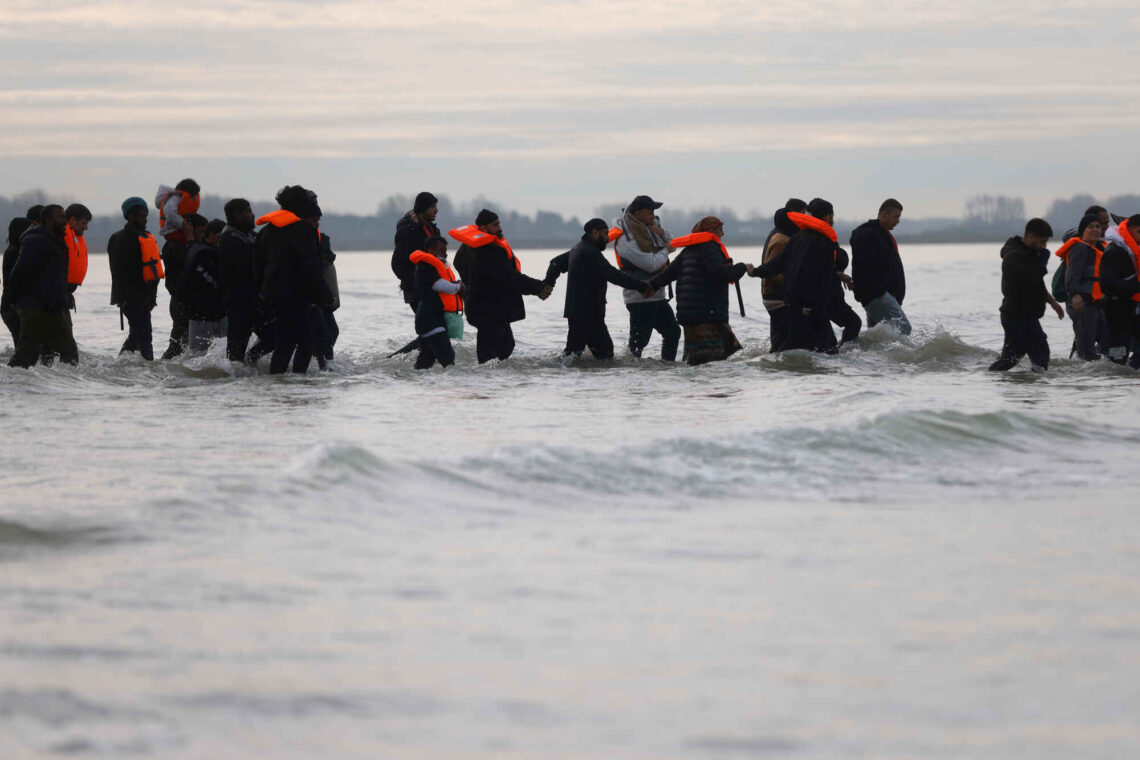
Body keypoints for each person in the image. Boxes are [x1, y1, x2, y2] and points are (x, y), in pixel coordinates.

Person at [451, 209, 552, 363]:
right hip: (488, 309)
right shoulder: (489, 250)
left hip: (481, 306)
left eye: (499, 224)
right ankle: (486, 376)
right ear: (483, 228)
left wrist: (471, 282)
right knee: (490, 353)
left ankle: (492, 376)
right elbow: (510, 277)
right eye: (495, 225)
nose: (499, 228)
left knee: (506, 345)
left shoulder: (467, 246)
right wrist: (538, 288)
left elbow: (457, 263)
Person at [544, 218, 652, 360]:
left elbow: (555, 263)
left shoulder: (578, 249)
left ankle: (561, 370)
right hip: (588, 314)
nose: (607, 239)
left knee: (577, 353)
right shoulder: (590, 253)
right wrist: (642, 287)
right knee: (601, 354)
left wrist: (548, 284)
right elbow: (613, 275)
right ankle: (558, 370)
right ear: (594, 233)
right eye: (605, 234)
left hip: (580, 313)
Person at [647, 216, 748, 366]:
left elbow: (668, 273)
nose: (723, 234)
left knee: (697, 360)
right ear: (710, 230)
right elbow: (719, 272)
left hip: (690, 315)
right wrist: (742, 267)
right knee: (712, 361)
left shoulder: (688, 250)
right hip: (706, 314)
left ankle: (686, 380)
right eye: (720, 230)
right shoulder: (709, 247)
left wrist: (650, 287)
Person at [255, 185, 333, 374]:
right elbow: (311, 268)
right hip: (296, 298)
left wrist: (263, 294)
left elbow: (257, 267)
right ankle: (288, 381)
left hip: (274, 296)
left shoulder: (266, 231)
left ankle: (290, 382)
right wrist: (325, 297)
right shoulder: (303, 231)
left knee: (301, 340)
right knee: (291, 344)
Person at [6, 205, 79, 368]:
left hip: (54, 307)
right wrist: (15, 301)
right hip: (34, 307)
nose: (65, 221)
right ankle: (10, 380)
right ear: (47, 219)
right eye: (60, 217)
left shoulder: (58, 241)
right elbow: (19, 272)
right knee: (27, 354)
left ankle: (68, 382)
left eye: (65, 217)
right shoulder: (35, 240)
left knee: (69, 352)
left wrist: (63, 298)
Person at [611, 195, 681, 361]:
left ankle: (667, 367)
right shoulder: (626, 239)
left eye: (653, 211)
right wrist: (665, 250)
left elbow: (673, 242)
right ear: (638, 213)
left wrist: (661, 232)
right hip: (640, 298)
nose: (653, 215)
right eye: (649, 211)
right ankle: (631, 370)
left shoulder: (648, 229)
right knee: (639, 343)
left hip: (657, 296)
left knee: (673, 332)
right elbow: (650, 265)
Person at [988, 218, 1064, 371]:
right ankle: (1038, 384)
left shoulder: (1028, 254)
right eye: (1042, 241)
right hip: (1018, 314)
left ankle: (992, 378)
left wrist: (1053, 303)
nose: (1044, 246)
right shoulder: (1015, 257)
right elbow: (1030, 281)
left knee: (1010, 358)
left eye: (1046, 242)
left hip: (1017, 314)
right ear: (1030, 237)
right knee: (1041, 352)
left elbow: (1037, 285)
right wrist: (1041, 265)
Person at [781, 199, 843, 352]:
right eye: (832, 216)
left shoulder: (798, 237)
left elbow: (779, 262)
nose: (833, 220)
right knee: (829, 348)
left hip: (794, 303)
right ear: (827, 217)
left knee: (796, 347)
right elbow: (810, 274)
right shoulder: (821, 240)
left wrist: (755, 271)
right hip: (811, 307)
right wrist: (808, 305)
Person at [107, 197, 164, 360]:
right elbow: (118, 272)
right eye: (141, 216)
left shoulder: (146, 237)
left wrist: (151, 298)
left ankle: (118, 365)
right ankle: (150, 367)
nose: (144, 219)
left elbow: (152, 272)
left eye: (145, 216)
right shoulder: (119, 238)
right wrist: (124, 299)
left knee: (136, 338)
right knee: (145, 337)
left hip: (146, 298)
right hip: (131, 299)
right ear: (130, 216)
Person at [850, 198, 910, 334]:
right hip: (878, 296)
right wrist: (879, 292)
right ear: (883, 214)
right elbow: (863, 266)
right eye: (896, 216)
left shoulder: (882, 234)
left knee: (877, 336)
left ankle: (860, 348)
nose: (898, 221)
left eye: (899, 217)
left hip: (880, 296)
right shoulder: (867, 233)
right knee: (904, 329)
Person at [219, 198, 267, 363]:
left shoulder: (251, 236)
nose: (252, 215)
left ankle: (250, 361)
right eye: (247, 211)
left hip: (256, 301)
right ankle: (237, 370)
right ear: (236, 215)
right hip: (238, 302)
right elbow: (246, 269)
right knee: (235, 353)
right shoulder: (229, 238)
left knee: (274, 335)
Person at [1058, 213, 1108, 361]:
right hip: (1081, 303)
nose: (1095, 230)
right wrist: (1074, 295)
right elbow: (1071, 275)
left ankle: (1111, 368)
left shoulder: (1100, 248)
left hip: (1096, 303)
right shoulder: (1079, 249)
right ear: (1083, 230)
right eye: (1090, 227)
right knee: (1086, 348)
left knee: (1108, 341)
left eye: (1098, 227)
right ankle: (1081, 371)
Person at [411, 235, 465, 369]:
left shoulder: (433, 266)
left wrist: (455, 284)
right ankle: (456, 380)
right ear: (431, 250)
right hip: (430, 320)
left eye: (446, 250)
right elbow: (438, 285)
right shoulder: (426, 265)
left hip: (429, 320)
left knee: (426, 361)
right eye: (442, 250)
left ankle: (415, 380)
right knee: (448, 357)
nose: (446, 254)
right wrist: (459, 287)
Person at [752, 206, 801, 351]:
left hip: (774, 296)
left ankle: (775, 361)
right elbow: (773, 271)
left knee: (780, 339)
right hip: (777, 297)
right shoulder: (782, 241)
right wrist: (793, 284)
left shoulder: (780, 237)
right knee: (789, 340)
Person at [160, 211, 207, 360]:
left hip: (186, 303)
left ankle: (167, 366)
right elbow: (191, 264)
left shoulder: (188, 246)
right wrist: (191, 239)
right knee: (180, 346)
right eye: (200, 232)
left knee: (179, 345)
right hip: (181, 304)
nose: (203, 236)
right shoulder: (174, 246)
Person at [177, 219, 228, 353]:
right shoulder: (205, 254)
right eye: (222, 237)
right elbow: (213, 282)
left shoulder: (196, 249)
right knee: (198, 354)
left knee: (200, 354)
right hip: (202, 313)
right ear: (212, 236)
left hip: (206, 312)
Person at [1098, 214, 1140, 365]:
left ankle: (1130, 372)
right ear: (1130, 230)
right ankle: (1115, 376)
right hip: (1117, 311)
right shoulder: (1114, 252)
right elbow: (1107, 285)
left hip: (1134, 309)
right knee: (1118, 354)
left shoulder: (1134, 250)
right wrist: (1136, 286)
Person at [393, 192, 440, 312]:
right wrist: (415, 283)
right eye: (433, 207)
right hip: (416, 290)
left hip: (434, 286)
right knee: (429, 321)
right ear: (423, 208)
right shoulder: (408, 231)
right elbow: (397, 263)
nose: (436, 210)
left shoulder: (433, 230)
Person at [2, 217, 33, 346]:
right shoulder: (16, 252)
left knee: (21, 344)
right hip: (13, 305)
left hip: (8, 305)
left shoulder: (11, 250)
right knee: (25, 345)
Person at [315, 230, 341, 365]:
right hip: (316, 301)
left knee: (332, 332)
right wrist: (329, 299)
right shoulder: (311, 261)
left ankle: (322, 362)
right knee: (326, 334)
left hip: (324, 301)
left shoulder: (322, 238)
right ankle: (323, 364)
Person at [63, 203, 91, 304]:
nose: (86, 227)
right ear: (72, 220)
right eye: (84, 223)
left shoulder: (75, 236)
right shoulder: (62, 234)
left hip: (65, 293)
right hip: (57, 293)